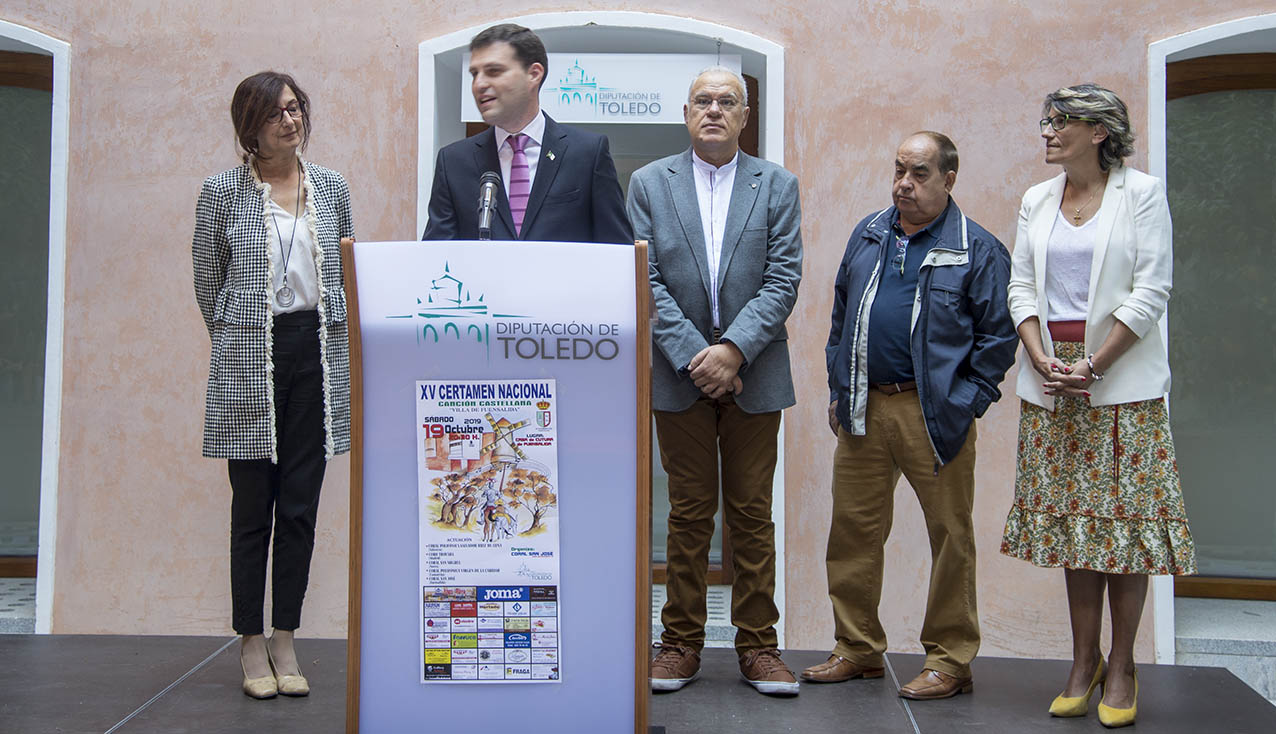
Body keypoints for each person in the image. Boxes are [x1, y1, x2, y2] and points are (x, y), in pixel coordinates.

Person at [999, 83, 1196, 728]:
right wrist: (1038, 355)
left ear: (1100, 132)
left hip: (1120, 386)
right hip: (1053, 382)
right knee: (1075, 532)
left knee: (1125, 535)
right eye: (1047, 119)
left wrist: (1094, 364)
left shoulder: (1140, 194)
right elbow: (1021, 285)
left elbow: (1152, 289)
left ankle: (1123, 666)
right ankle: (1081, 663)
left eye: (1061, 122)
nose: (1048, 131)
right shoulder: (1037, 199)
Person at [810, 132, 1017, 700]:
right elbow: (841, 316)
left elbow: (997, 341)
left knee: (950, 536)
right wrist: (838, 386)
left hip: (934, 417)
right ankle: (857, 649)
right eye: (899, 170)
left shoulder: (978, 249)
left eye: (919, 173)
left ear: (949, 180)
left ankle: (950, 660)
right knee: (852, 532)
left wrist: (967, 400)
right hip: (863, 407)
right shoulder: (871, 232)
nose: (904, 184)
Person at [628, 67, 803, 696]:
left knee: (753, 514)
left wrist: (732, 350)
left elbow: (784, 276)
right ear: (685, 112)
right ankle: (679, 644)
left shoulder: (777, 185)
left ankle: (759, 647)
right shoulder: (648, 183)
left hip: (755, 375)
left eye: (727, 101)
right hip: (680, 378)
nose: (714, 110)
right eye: (703, 100)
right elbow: (643, 277)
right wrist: (697, 356)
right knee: (688, 513)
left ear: (744, 114)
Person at [192, 71, 354, 700]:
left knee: (301, 506)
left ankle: (286, 633)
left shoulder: (332, 189)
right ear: (248, 128)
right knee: (251, 508)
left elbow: (340, 272)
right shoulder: (222, 193)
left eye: (295, 109)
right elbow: (209, 286)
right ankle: (250, 641)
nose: (289, 122)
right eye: (274, 114)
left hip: (316, 352)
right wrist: (239, 340)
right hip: (249, 362)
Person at [422, 23, 632, 244]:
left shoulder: (587, 153)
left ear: (534, 74)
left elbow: (617, 251)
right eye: (475, 74)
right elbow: (436, 256)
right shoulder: (453, 161)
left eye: (494, 71)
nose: (479, 84)